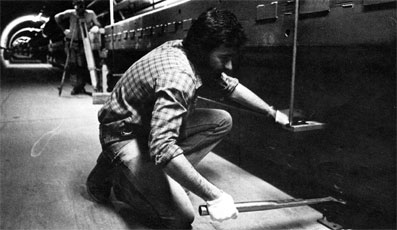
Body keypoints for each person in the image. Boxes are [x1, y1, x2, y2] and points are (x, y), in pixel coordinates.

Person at [86, 8, 289, 229]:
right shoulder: (179, 76)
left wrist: (272, 113)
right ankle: (122, 182)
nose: (229, 66)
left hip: (144, 127)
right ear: (203, 50)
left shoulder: (187, 49)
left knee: (221, 120)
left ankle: (147, 176)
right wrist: (215, 196)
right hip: (122, 135)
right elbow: (163, 148)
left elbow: (231, 87)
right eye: (224, 58)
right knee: (181, 216)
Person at [54, 0, 102, 95]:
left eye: (82, 5)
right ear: (74, 5)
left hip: (83, 43)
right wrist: (64, 30)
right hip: (71, 42)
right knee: (73, 65)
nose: (80, 7)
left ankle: (80, 86)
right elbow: (57, 17)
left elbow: (98, 24)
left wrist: (93, 28)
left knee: (82, 66)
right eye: (78, 5)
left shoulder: (90, 14)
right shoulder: (71, 13)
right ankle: (76, 86)